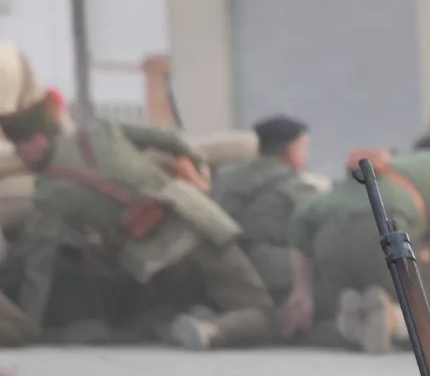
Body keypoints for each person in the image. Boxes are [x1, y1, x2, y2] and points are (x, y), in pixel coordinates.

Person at [1, 91, 277, 350]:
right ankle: (212, 329)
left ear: (38, 141)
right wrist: (199, 166)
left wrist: (28, 326)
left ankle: (181, 324)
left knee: (165, 303)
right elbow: (171, 138)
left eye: (18, 146)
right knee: (265, 314)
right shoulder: (102, 129)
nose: (18, 155)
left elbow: (39, 265)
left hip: (155, 259)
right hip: (196, 221)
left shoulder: (48, 192)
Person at [281, 143, 430, 353]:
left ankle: (349, 323)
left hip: (330, 234)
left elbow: (300, 218)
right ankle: (392, 319)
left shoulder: (383, 170)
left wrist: (302, 291)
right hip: (385, 231)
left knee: (333, 314)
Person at [211, 115, 322, 303]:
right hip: (267, 276)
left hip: (220, 265)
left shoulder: (225, 174)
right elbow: (321, 230)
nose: (308, 156)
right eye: (304, 148)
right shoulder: (296, 187)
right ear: (290, 151)